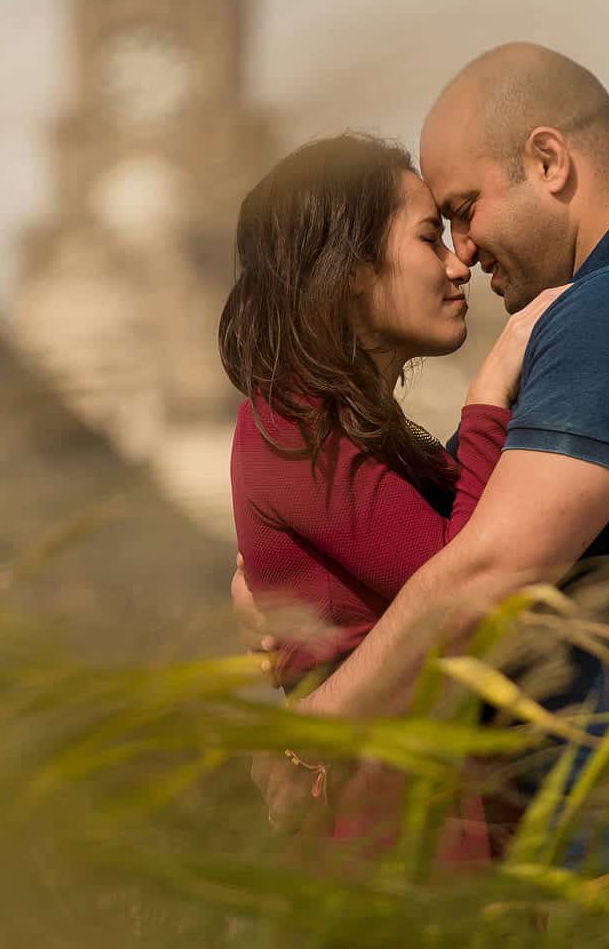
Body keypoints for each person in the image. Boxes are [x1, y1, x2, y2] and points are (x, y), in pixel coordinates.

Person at [234, 42, 609, 862]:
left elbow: (484, 574)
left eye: (464, 208)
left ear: (548, 161)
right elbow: (451, 528)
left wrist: (311, 738)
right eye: (438, 227)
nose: (463, 249)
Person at [220, 133, 553, 865]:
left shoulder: (336, 426)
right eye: (429, 237)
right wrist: (491, 392)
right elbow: (462, 575)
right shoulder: (289, 425)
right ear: (348, 272)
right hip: (396, 846)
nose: (458, 261)